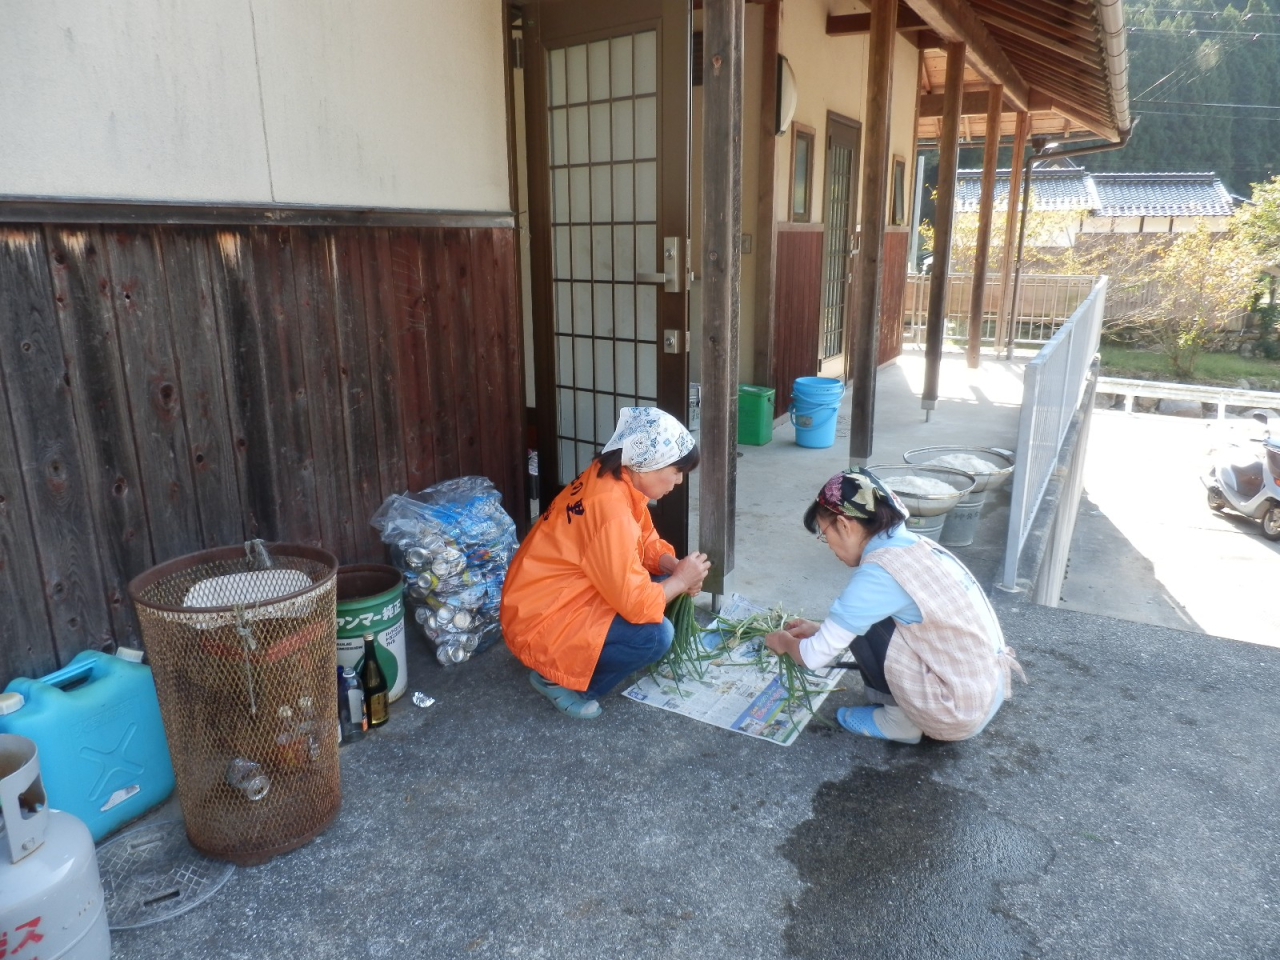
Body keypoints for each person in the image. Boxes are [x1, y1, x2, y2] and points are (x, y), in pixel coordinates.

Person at [764, 468, 1023, 744]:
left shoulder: (881, 572)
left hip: (955, 714)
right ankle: (907, 709)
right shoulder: (914, 546)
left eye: (825, 536)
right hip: (980, 693)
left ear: (844, 524)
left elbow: (812, 657)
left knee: (867, 618)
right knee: (864, 616)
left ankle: (899, 723)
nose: (829, 547)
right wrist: (820, 630)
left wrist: (783, 642)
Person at [501, 407, 712, 719]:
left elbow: (644, 539)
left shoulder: (611, 476)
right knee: (656, 635)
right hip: (542, 621)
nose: (679, 481)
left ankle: (570, 660)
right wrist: (680, 581)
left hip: (543, 600)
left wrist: (673, 567)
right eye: (676, 471)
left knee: (660, 588)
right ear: (648, 464)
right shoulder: (611, 511)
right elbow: (636, 603)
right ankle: (556, 678)